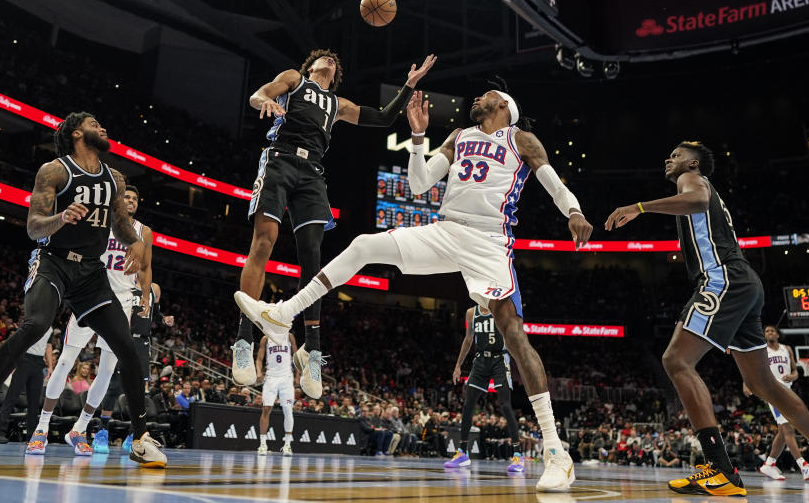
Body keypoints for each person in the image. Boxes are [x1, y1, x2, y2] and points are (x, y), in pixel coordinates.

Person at [237, 86, 593, 492]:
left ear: (505, 106)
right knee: (364, 245)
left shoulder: (519, 139)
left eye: (487, 95)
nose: (477, 97)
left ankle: (556, 453)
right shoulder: (460, 136)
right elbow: (420, 185)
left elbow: (550, 180)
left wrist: (574, 210)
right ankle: (285, 313)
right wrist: (419, 138)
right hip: (446, 230)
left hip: (489, 242)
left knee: (512, 332)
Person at [605, 141, 809, 497]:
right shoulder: (696, 185)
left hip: (723, 277)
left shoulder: (692, 180)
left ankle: (718, 467)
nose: (669, 158)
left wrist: (639, 207)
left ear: (693, 162)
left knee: (676, 360)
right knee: (765, 385)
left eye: (676, 155)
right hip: (743, 282)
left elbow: (696, 201)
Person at [0, 112, 166, 468]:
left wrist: (136, 244)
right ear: (77, 133)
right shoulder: (55, 171)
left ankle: (140, 438)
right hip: (54, 261)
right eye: (95, 123)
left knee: (126, 347)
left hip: (91, 272)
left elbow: (122, 227)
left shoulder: (116, 180)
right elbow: (33, 227)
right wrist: (61, 217)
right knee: (36, 324)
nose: (103, 126)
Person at [232, 50, 438, 399]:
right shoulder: (295, 81)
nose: (328, 58)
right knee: (264, 241)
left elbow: (384, 118)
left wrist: (408, 85)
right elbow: (260, 93)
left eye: (333, 58)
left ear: (335, 72)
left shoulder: (337, 104)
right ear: (310, 67)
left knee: (312, 258)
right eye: (322, 56)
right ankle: (243, 338)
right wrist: (263, 100)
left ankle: (311, 349)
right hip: (280, 159)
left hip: (312, 172)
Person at [27, 182, 155, 456]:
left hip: (122, 301)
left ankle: (79, 429)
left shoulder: (144, 231)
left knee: (107, 372)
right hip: (92, 293)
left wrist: (144, 296)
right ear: (119, 201)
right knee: (65, 360)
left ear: (138, 203)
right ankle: (41, 427)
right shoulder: (104, 221)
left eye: (134, 198)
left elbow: (146, 266)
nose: (130, 201)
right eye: (126, 197)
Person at [445, 305, 524, 473]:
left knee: (504, 405)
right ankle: (462, 453)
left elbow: (512, 337)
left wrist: (520, 361)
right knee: (468, 405)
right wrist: (458, 365)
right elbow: (468, 339)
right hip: (480, 360)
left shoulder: (500, 310)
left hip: (500, 359)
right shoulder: (471, 312)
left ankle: (518, 455)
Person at [746, 324, 809, 481]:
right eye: (767, 331)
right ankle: (804, 466)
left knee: (783, 431)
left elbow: (795, 371)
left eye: (772, 330)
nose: (769, 332)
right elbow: (750, 368)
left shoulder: (786, 349)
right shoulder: (762, 350)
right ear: (764, 335)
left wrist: (792, 376)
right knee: (788, 428)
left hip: (788, 390)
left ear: (777, 335)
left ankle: (769, 464)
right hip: (772, 392)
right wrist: (746, 384)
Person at [0, 329, 53, 443]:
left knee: (34, 403)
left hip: (39, 363)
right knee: (11, 398)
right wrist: (14, 362)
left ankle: (31, 437)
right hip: (24, 360)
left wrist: (50, 366)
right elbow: (20, 340)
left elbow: (48, 346)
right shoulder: (34, 321)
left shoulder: (50, 328)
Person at [254, 333, 298, 455]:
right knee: (266, 409)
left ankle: (287, 445)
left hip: (287, 378)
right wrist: (259, 372)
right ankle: (263, 444)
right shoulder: (266, 338)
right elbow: (259, 359)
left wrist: (298, 375)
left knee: (288, 409)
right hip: (271, 378)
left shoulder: (289, 336)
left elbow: (297, 357)